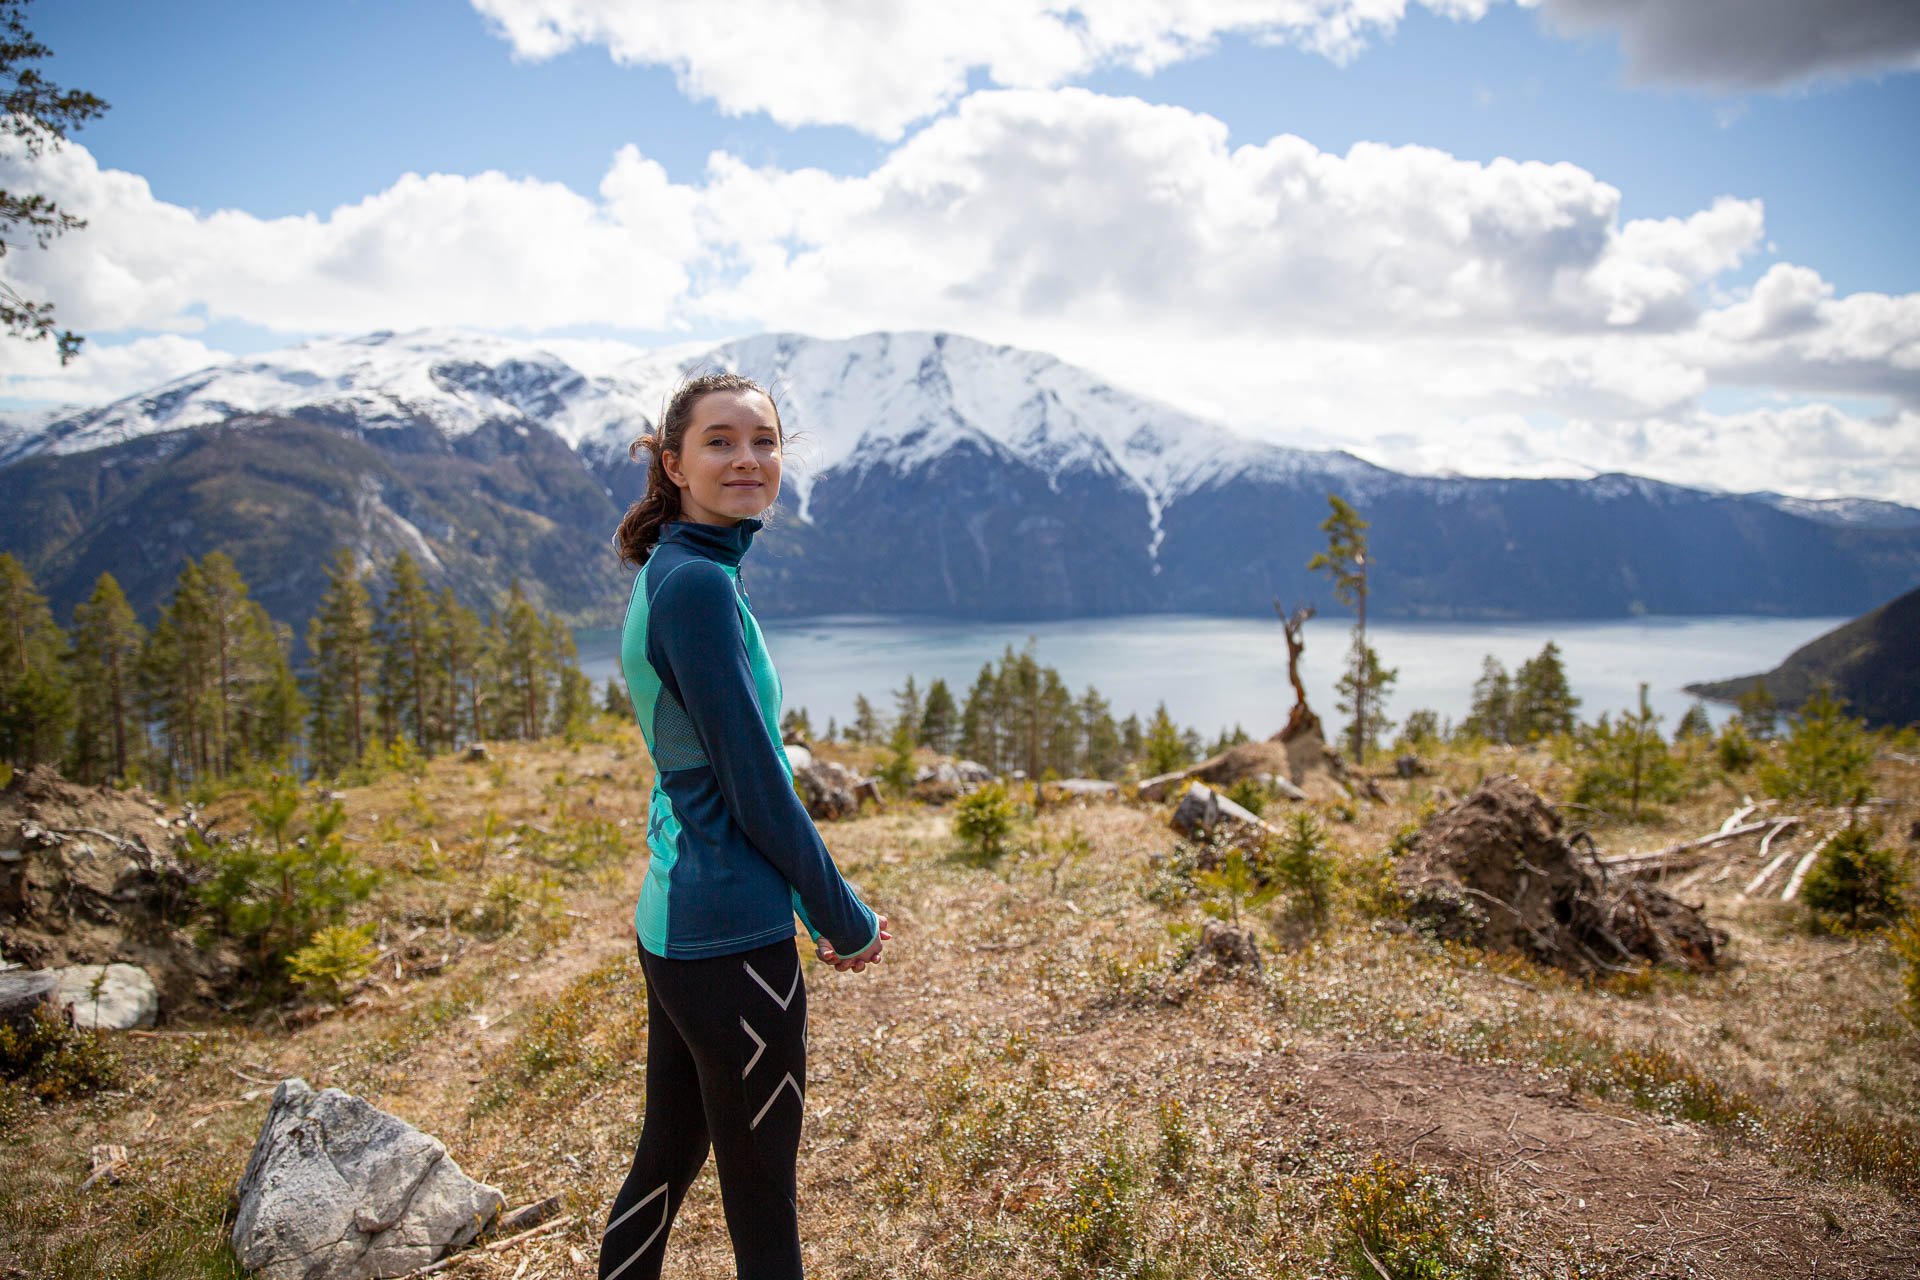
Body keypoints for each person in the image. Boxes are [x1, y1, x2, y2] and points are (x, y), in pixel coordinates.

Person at [599, 372, 891, 1280]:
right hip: (728, 933)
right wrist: (842, 914)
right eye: (720, 442)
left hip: (680, 916)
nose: (747, 459)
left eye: (763, 441)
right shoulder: (697, 587)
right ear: (673, 461)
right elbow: (758, 785)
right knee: (764, 1207)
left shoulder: (683, 570)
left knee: (667, 1160)